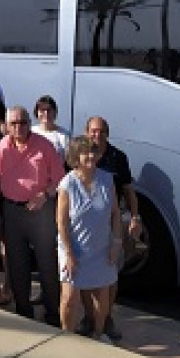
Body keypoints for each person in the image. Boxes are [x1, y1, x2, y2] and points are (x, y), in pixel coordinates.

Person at [0, 105, 64, 327]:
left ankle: (52, 315)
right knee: (17, 265)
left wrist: (44, 195)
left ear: (29, 123)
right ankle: (23, 313)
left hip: (41, 211)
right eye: (13, 123)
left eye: (22, 122)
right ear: (7, 126)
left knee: (47, 264)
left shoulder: (45, 146)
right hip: (12, 211)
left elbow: (59, 179)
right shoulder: (2, 147)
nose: (18, 127)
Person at [56, 135, 122, 340]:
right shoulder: (67, 184)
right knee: (69, 298)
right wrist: (69, 254)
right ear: (75, 157)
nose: (90, 156)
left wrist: (116, 243)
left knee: (101, 295)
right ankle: (66, 337)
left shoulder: (106, 179)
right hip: (73, 248)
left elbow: (115, 214)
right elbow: (61, 222)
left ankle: (99, 334)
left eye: (93, 151)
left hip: (101, 247)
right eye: (85, 152)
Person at [86, 115, 142, 342]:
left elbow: (128, 191)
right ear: (86, 132)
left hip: (111, 223)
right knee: (86, 276)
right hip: (86, 225)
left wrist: (135, 216)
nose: (97, 136)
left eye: (101, 132)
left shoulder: (118, 158)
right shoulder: (79, 154)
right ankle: (89, 317)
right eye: (93, 131)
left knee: (110, 277)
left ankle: (107, 319)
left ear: (107, 134)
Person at [33, 95, 70, 161]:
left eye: (49, 110)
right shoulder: (31, 132)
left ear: (55, 112)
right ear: (37, 113)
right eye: (42, 110)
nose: (46, 113)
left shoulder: (64, 135)